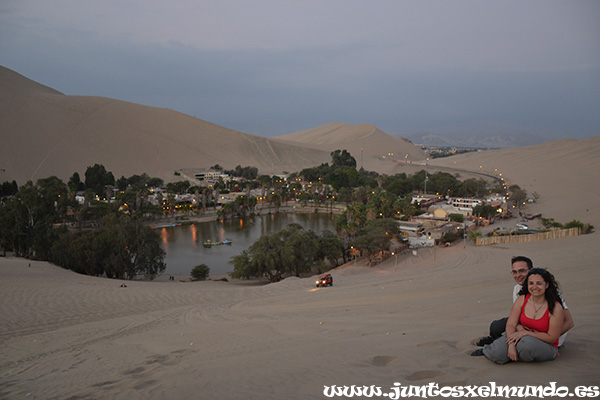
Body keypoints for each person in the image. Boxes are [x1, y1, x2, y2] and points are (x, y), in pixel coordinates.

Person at [472, 256, 573, 354]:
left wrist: (546, 336)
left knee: (522, 342)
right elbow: (518, 316)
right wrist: (519, 328)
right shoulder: (518, 289)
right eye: (515, 272)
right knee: (497, 326)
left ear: (532, 270)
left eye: (522, 271)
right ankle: (496, 343)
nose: (518, 275)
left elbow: (569, 323)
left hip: (545, 335)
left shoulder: (549, 293)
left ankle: (498, 345)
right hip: (528, 325)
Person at [481, 268, 564, 364]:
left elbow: (552, 338)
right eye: (531, 283)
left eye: (539, 283)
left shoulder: (555, 307)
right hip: (518, 336)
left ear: (547, 285)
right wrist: (511, 345)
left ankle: (516, 354)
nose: (534, 287)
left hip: (545, 344)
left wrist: (526, 333)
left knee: (526, 345)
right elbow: (511, 324)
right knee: (497, 352)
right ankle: (504, 351)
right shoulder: (521, 300)